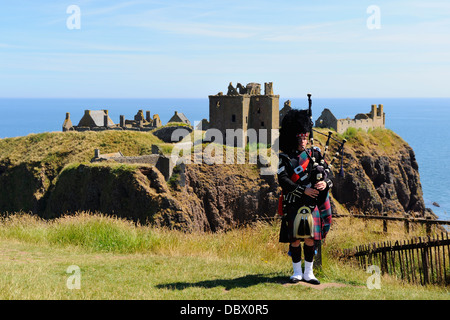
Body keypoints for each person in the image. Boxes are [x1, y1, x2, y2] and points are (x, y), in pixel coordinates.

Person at [277, 109, 333, 284]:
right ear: (292, 137)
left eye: (305, 138)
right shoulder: (285, 158)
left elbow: (328, 172)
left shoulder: (315, 154)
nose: (303, 141)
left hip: (311, 203)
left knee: (310, 239)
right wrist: (303, 190)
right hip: (294, 202)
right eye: (299, 138)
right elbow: (283, 179)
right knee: (294, 240)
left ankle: (309, 273)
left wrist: (325, 183)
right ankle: (296, 273)